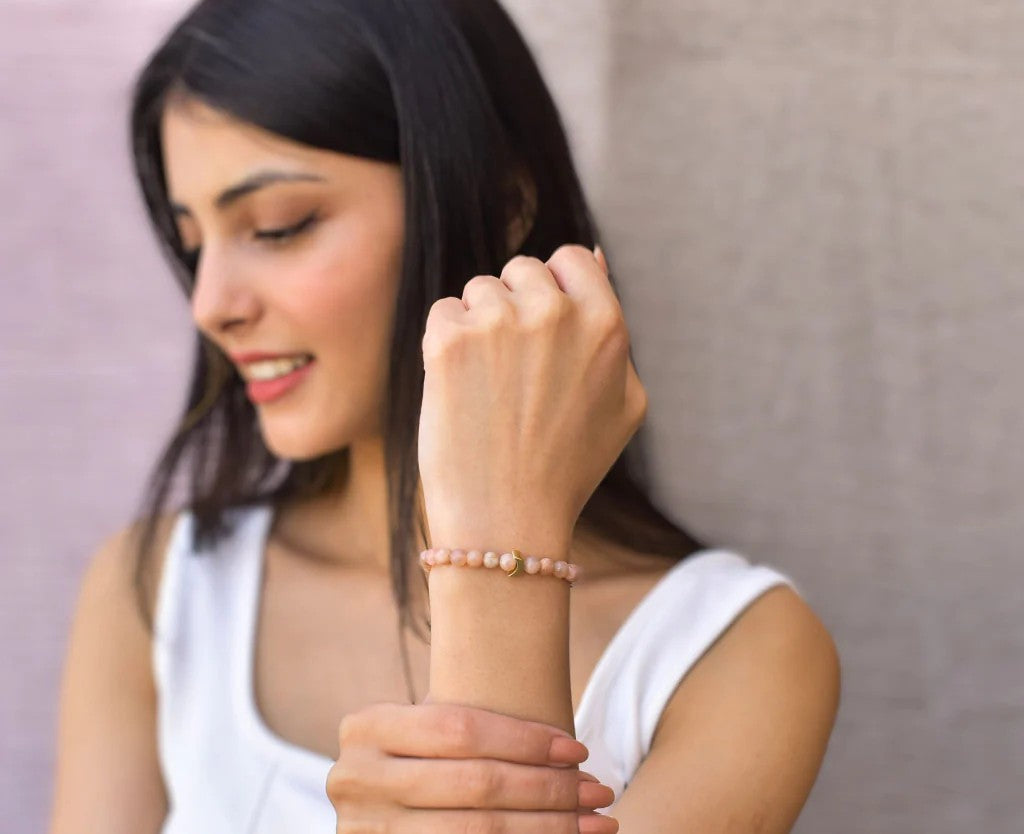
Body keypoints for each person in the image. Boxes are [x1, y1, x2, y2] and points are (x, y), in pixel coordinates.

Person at [48, 1, 841, 832]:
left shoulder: (733, 654)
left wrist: (505, 537)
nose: (211, 305)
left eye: (278, 227)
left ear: (500, 207)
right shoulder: (158, 590)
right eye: (192, 243)